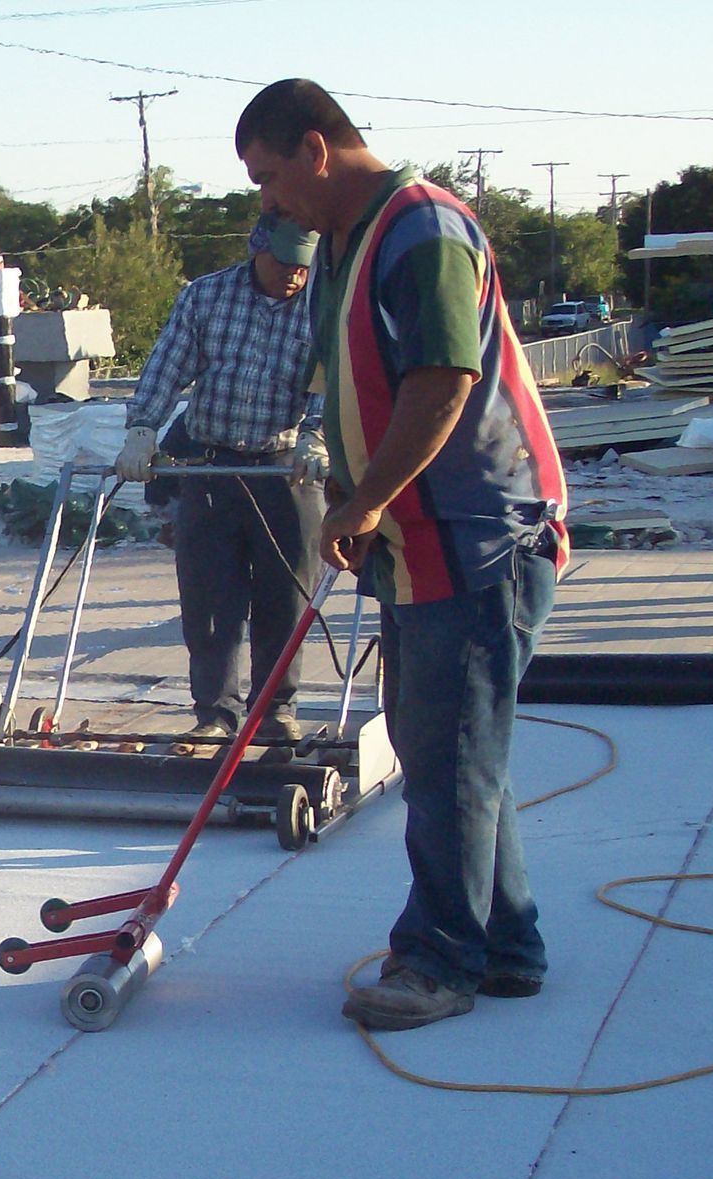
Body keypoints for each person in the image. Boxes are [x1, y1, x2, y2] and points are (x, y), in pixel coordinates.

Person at [235, 79, 568, 1031]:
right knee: (448, 743)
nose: (268, 200)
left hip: (476, 535)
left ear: (316, 148)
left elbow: (442, 379)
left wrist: (366, 496)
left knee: (449, 751)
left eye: (269, 176)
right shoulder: (347, 241)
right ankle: (504, 944)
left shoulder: (420, 228)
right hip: (418, 540)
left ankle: (437, 961)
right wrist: (365, 501)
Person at [116, 213, 327, 752]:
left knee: (286, 597)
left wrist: (320, 436)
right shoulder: (206, 298)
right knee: (210, 600)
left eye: (303, 267)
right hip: (211, 467)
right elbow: (167, 366)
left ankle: (275, 711)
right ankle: (215, 714)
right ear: (257, 249)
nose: (294, 276)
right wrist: (143, 428)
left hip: (286, 467)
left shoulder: (325, 302)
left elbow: (337, 377)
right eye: (284, 263)